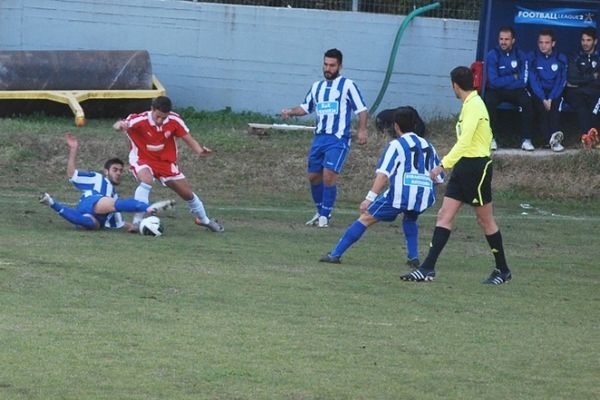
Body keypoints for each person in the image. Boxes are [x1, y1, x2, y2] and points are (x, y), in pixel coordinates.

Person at [401, 66, 512, 285]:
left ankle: (502, 270)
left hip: (476, 168)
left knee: (485, 220)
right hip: (464, 167)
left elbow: (466, 142)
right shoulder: (469, 105)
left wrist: (442, 165)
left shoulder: (475, 106)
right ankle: (427, 268)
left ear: (455, 85)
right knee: (444, 215)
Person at [319, 107, 443, 267]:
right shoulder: (428, 145)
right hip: (424, 196)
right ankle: (413, 257)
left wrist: (368, 199)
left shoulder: (396, 145)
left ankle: (335, 254)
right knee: (410, 217)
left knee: (365, 218)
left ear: (396, 126)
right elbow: (438, 178)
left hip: (401, 194)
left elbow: (383, 174)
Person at [281, 48, 368, 228]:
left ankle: (325, 217)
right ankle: (320, 211)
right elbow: (306, 107)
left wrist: (362, 130)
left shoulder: (348, 85)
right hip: (319, 138)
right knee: (314, 177)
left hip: (337, 139)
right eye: (326, 64)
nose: (328, 68)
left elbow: (361, 109)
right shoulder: (317, 87)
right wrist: (291, 111)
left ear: (340, 67)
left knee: (329, 176)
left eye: (332, 65)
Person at [113, 96, 224, 233]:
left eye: (163, 118)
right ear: (152, 109)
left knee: (187, 194)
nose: (160, 120)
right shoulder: (139, 119)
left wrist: (200, 151)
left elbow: (188, 138)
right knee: (147, 180)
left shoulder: (174, 121)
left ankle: (204, 220)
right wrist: (119, 125)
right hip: (142, 159)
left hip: (166, 163)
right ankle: (137, 222)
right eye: (158, 116)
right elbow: (119, 125)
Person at [39, 132, 175, 230]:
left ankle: (51, 202)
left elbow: (119, 224)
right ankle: (149, 208)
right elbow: (72, 174)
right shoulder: (96, 178)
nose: (118, 173)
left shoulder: (114, 195)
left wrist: (135, 227)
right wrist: (73, 149)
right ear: (106, 171)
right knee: (115, 204)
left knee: (92, 224)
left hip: (96, 217)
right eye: (115, 169)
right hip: (91, 201)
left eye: (121, 171)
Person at [484, 26, 534, 151]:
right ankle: (491, 139)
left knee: (527, 101)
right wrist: (513, 77)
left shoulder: (520, 55)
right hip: (496, 91)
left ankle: (526, 139)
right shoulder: (492, 55)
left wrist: (507, 81)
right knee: (489, 101)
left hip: (516, 90)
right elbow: (494, 82)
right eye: (501, 39)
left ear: (513, 41)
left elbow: (523, 81)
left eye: (507, 39)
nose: (503, 42)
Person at [528, 29, 568, 152]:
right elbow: (533, 80)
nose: (543, 45)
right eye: (541, 42)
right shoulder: (533, 57)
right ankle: (546, 140)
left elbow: (561, 81)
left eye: (546, 42)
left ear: (553, 43)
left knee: (555, 107)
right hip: (539, 92)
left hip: (554, 92)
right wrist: (543, 98)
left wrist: (550, 98)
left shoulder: (561, 58)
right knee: (541, 108)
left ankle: (555, 140)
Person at [564, 27, 600, 142]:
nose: (585, 43)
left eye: (588, 40)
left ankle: (593, 138)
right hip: (575, 93)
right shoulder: (575, 56)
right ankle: (587, 139)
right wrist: (592, 76)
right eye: (583, 40)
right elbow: (572, 79)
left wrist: (582, 80)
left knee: (595, 109)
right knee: (582, 109)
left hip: (594, 92)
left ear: (595, 41)